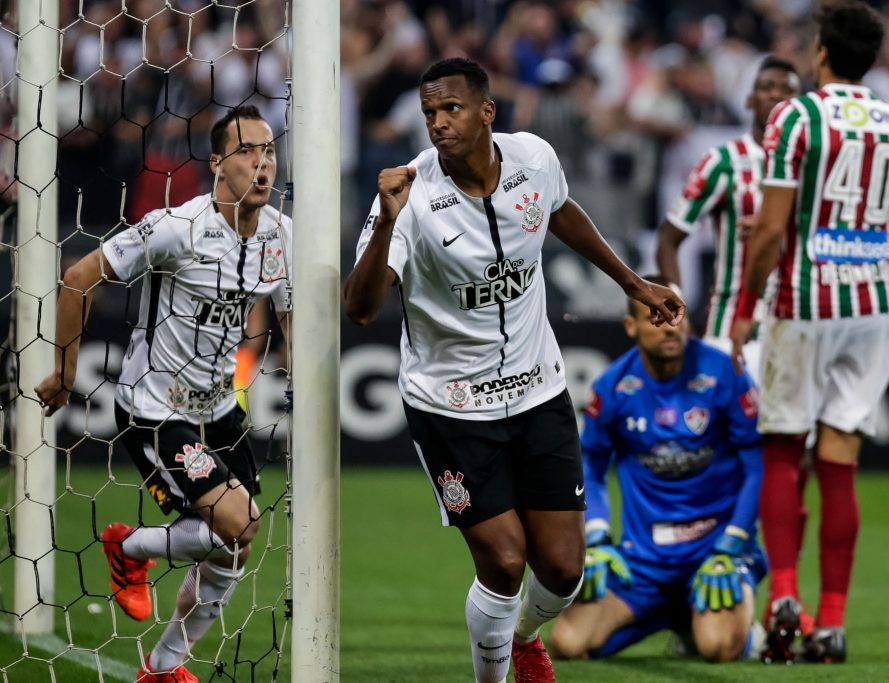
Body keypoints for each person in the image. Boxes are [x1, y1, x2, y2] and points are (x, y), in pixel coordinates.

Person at [344, 57, 685, 683]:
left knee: (562, 570)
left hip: (538, 389)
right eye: (429, 113)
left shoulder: (533, 158)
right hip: (451, 407)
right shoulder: (410, 197)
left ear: (486, 112)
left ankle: (526, 639)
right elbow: (359, 309)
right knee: (504, 561)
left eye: (450, 109)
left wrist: (634, 284)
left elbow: (560, 212)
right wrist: (388, 219)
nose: (438, 123)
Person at [35, 105, 291, 683]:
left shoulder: (281, 234)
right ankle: (129, 549)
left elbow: (287, 306)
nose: (263, 161)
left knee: (234, 550)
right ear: (218, 161)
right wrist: (65, 371)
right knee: (242, 522)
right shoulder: (177, 227)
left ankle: (163, 668)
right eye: (248, 150)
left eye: (269, 150)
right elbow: (78, 278)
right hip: (156, 409)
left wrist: (296, 364)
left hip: (220, 407)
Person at [730, 0, 889, 664]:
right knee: (841, 459)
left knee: (783, 445)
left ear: (822, 53)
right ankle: (832, 622)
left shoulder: (797, 117)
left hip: (807, 297)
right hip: (874, 300)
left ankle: (784, 596)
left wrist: (746, 302)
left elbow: (774, 228)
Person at [547, 276, 766, 662]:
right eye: (655, 316)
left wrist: (732, 543)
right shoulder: (613, 387)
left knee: (718, 647)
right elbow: (592, 470)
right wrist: (597, 537)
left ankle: (746, 632)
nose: (670, 325)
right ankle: (673, 614)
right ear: (630, 327)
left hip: (714, 555)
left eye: (676, 314)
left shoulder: (725, 373)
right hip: (643, 565)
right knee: (567, 643)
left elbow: (757, 465)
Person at [656, 56, 802, 383]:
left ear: (798, 106)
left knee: (789, 435)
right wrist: (674, 302)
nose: (775, 95)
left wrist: (778, 229)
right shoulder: (723, 162)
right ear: (750, 100)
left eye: (786, 90)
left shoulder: (812, 166)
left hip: (795, 325)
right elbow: (669, 236)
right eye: (766, 87)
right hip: (727, 325)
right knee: (719, 433)